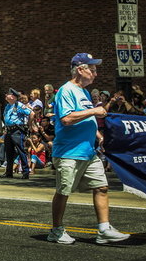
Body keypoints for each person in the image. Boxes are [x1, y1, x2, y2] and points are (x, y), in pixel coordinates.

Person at [48, 53, 129, 245]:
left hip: (88, 151)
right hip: (69, 152)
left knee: (101, 187)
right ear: (80, 70)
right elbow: (66, 119)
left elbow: (87, 121)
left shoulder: (84, 92)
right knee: (63, 191)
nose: (95, 74)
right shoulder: (66, 91)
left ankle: (104, 230)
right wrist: (94, 110)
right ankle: (56, 230)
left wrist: (99, 137)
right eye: (92, 69)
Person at [2, 89, 31, 179]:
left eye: (9, 94)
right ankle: (8, 172)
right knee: (9, 151)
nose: (6, 95)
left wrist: (29, 125)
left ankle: (25, 172)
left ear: (13, 97)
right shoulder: (7, 106)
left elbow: (31, 113)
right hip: (9, 130)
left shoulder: (19, 105)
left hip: (17, 130)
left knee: (21, 150)